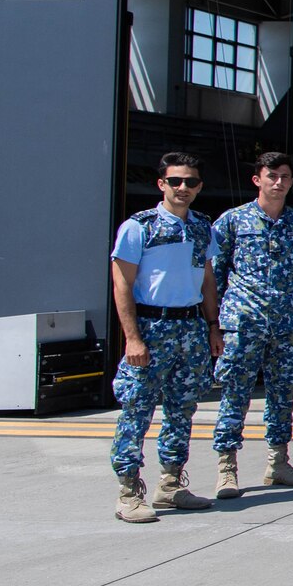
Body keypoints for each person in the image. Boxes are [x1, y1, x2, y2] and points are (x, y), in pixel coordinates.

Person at [108, 153, 222, 521]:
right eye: (175, 181)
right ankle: (128, 492)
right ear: (162, 184)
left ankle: (170, 485)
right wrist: (133, 338)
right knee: (137, 409)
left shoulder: (203, 227)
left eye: (190, 182)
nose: (183, 188)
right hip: (151, 327)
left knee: (182, 410)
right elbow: (121, 283)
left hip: (189, 328)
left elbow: (207, 280)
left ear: (199, 186)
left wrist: (212, 326)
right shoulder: (140, 227)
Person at [209, 151, 293, 492]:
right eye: (272, 176)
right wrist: (219, 320)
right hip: (243, 324)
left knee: (282, 395)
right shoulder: (233, 221)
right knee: (235, 394)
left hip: (285, 325)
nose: (279, 183)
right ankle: (227, 468)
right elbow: (215, 273)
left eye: (285, 176)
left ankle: (278, 463)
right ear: (258, 180)